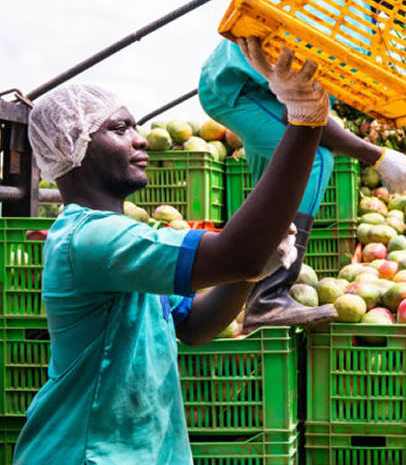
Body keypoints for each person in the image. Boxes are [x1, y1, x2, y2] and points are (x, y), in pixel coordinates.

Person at [15, 39, 329, 462]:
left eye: (137, 127)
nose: (140, 140)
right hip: (87, 452)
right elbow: (238, 254)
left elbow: (195, 326)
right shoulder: (91, 238)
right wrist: (304, 121)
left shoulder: (120, 239)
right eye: (120, 128)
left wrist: (248, 276)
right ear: (75, 144)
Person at [199, 34, 406, 333]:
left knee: (274, 179)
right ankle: (269, 297)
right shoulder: (338, 11)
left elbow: (310, 106)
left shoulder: (363, 18)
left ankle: (253, 287)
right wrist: (377, 156)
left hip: (256, 90)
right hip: (240, 87)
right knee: (314, 157)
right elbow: (304, 115)